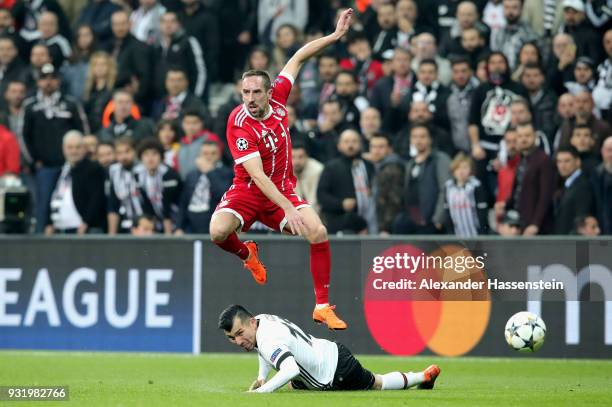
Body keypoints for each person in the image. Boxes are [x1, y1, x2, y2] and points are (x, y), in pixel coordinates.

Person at [208, 9, 356, 331]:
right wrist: (290, 208)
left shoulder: (279, 100)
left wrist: (334, 36)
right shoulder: (238, 124)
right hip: (249, 191)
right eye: (245, 93)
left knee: (318, 232)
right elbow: (258, 176)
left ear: (269, 91)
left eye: (256, 92)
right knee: (217, 232)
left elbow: (299, 57)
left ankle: (322, 307)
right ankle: (247, 254)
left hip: (282, 189)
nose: (249, 98)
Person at [217, 304, 441, 393]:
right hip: (327, 352)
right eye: (231, 338)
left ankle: (422, 376)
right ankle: (422, 377)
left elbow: (290, 370)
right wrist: (262, 376)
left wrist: (260, 392)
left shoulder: (267, 338)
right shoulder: (261, 320)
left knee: (376, 383)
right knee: (293, 388)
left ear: (251, 323)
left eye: (239, 333)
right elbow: (263, 349)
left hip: (335, 372)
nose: (238, 341)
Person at [45, 130, 106, 235]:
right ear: (63, 149)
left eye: (78, 147)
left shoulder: (94, 169)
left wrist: (86, 222)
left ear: (84, 149)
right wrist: (48, 223)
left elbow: (96, 198)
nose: (74, 151)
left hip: (84, 230)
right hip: (59, 230)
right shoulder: (60, 172)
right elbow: (52, 197)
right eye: (70, 147)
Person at [317, 129, 377, 235]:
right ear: (339, 145)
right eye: (346, 141)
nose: (350, 145)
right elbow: (321, 195)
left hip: (369, 218)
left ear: (360, 144)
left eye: (354, 141)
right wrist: (341, 204)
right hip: (341, 221)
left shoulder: (368, 165)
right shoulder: (331, 167)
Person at [176, 141, 232, 234]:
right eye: (205, 153)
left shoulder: (227, 173)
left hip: (214, 225)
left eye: (213, 153)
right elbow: (184, 202)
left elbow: (223, 196)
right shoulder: (191, 175)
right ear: (199, 155)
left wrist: (210, 172)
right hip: (191, 226)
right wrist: (179, 227)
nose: (209, 156)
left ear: (219, 155)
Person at [443, 153, 489, 236]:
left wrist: (482, 234)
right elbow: (447, 213)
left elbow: (482, 214)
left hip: (475, 234)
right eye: (458, 168)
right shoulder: (448, 187)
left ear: (470, 170)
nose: (461, 171)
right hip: (457, 235)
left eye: (464, 167)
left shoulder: (476, 186)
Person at [553, 146, 593, 234]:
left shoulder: (583, 186)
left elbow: (581, 218)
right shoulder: (567, 184)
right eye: (559, 161)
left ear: (578, 162)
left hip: (572, 243)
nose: (562, 165)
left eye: (567, 161)